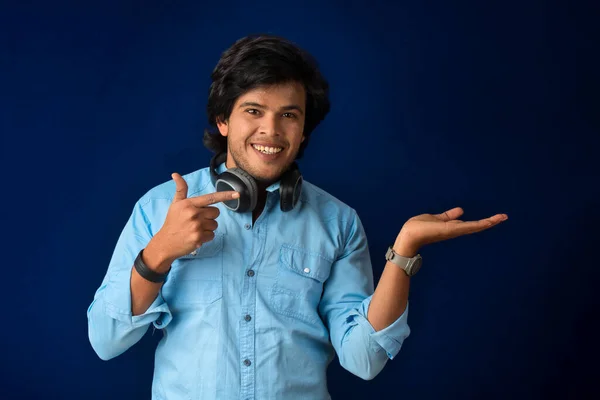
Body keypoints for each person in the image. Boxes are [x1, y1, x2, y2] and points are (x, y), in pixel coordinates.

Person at [87, 34, 508, 399]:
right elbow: (105, 341)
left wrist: (403, 252)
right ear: (222, 120)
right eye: (253, 111)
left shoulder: (338, 222)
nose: (271, 130)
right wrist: (157, 254)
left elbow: (364, 359)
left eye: (289, 115)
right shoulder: (158, 208)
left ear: (304, 129)